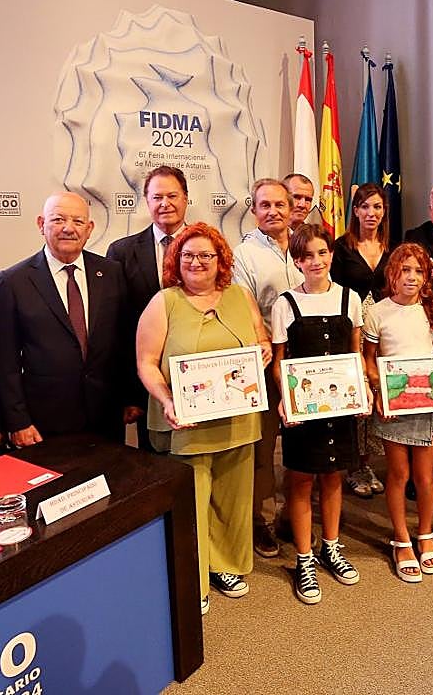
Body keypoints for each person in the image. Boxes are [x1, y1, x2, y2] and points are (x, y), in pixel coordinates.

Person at [137, 223, 270, 613]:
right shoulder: (164, 302)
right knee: (191, 503)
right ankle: (192, 578)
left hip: (237, 420)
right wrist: (166, 400)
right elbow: (146, 363)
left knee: (233, 498)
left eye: (205, 255)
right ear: (176, 260)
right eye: (188, 255)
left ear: (220, 260)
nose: (196, 262)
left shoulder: (240, 296)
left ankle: (224, 565)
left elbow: (260, 338)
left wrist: (263, 349)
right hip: (187, 425)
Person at [271, 224, 365, 603]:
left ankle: (331, 546)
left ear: (331, 254)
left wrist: (363, 391)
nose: (316, 261)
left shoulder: (350, 298)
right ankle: (304, 558)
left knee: (333, 477)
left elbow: (356, 352)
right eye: (306, 255)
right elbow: (280, 362)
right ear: (297, 261)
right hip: (303, 409)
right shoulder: (285, 304)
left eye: (322, 253)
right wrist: (286, 399)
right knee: (301, 480)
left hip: (340, 408)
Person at [0, 192, 128, 445]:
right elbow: (5, 360)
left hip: (106, 414)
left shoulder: (111, 272)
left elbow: (123, 341)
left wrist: (130, 398)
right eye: (58, 220)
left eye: (78, 221)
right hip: (45, 419)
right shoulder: (14, 281)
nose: (68, 228)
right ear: (41, 224)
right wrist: (17, 421)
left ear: (89, 229)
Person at [363, 243, 433, 583]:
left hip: (426, 403)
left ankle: (425, 534)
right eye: (405, 270)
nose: (412, 277)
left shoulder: (431, 310)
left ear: (426, 277)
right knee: (398, 473)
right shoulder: (377, 312)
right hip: (394, 403)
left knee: (425, 475)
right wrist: (379, 391)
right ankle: (401, 538)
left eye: (419, 271)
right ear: (392, 274)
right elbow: (369, 358)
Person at [233, 178, 304, 557]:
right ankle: (261, 518)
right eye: (265, 205)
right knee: (263, 446)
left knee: (304, 441)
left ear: (291, 208)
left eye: (280, 204)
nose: (273, 211)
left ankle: (295, 515)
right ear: (254, 210)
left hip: (307, 359)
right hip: (265, 358)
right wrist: (266, 341)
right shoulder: (244, 254)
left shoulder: (306, 244)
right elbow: (246, 306)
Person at [106, 166, 190, 453]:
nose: (165, 203)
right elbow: (118, 327)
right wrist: (128, 393)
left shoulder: (208, 247)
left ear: (186, 198)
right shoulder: (121, 252)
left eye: (172, 196)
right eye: (157, 197)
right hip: (145, 382)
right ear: (147, 201)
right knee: (155, 460)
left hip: (199, 375)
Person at [332, 182, 394, 498]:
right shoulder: (341, 248)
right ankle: (351, 466)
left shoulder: (391, 248)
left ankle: (366, 464)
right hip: (352, 331)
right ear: (355, 210)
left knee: (376, 394)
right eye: (365, 206)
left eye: (377, 207)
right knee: (354, 395)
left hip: (382, 332)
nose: (371, 213)